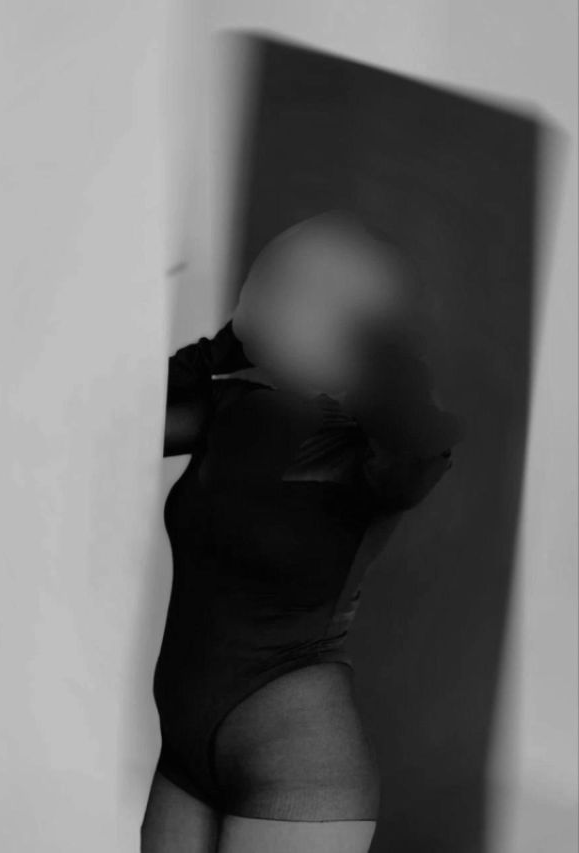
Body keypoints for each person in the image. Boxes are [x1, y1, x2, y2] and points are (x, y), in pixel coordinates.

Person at [141, 211, 464, 853]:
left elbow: (422, 446)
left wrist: (377, 347)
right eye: (268, 278)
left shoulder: (370, 452)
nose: (267, 294)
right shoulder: (233, 410)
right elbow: (132, 416)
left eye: (300, 287)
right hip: (183, 753)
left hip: (297, 759)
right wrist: (221, 349)